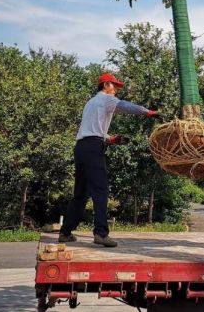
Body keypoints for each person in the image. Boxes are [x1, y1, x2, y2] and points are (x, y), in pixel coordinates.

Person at [59, 73, 159, 246]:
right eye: (115, 86)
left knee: (81, 194)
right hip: (92, 148)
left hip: (81, 148)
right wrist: (149, 112)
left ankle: (65, 233)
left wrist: (112, 139)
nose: (116, 90)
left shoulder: (90, 102)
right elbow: (127, 106)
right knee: (101, 191)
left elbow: (93, 129)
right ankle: (100, 234)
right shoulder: (106, 98)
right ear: (106, 85)